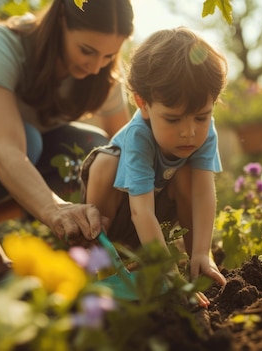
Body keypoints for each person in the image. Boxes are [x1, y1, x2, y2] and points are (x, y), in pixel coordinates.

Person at [0, 0, 134, 283]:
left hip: (15, 158)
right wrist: (54, 208)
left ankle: (68, 246)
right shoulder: (1, 41)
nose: (95, 67)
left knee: (95, 147)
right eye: (87, 51)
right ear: (61, 23)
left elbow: (126, 151)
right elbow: (6, 149)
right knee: (26, 139)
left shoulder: (102, 75)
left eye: (108, 55)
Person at [80, 27, 228, 307]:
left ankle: (192, 262)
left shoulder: (205, 133)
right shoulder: (139, 135)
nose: (189, 132)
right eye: (173, 120)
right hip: (120, 213)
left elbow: (203, 194)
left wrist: (202, 251)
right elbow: (141, 210)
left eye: (201, 117)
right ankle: (97, 259)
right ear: (142, 104)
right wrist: (168, 274)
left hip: (152, 221)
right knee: (105, 164)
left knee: (188, 176)